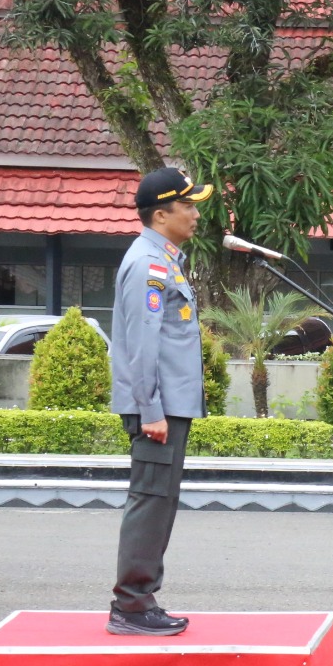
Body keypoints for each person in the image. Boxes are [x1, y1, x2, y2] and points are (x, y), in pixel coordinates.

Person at [107, 167, 213, 636]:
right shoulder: (148, 264)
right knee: (150, 501)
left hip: (170, 404)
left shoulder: (166, 259)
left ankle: (140, 599)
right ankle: (131, 606)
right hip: (158, 408)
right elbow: (141, 344)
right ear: (160, 214)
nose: (194, 214)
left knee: (160, 501)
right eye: (187, 206)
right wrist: (150, 411)